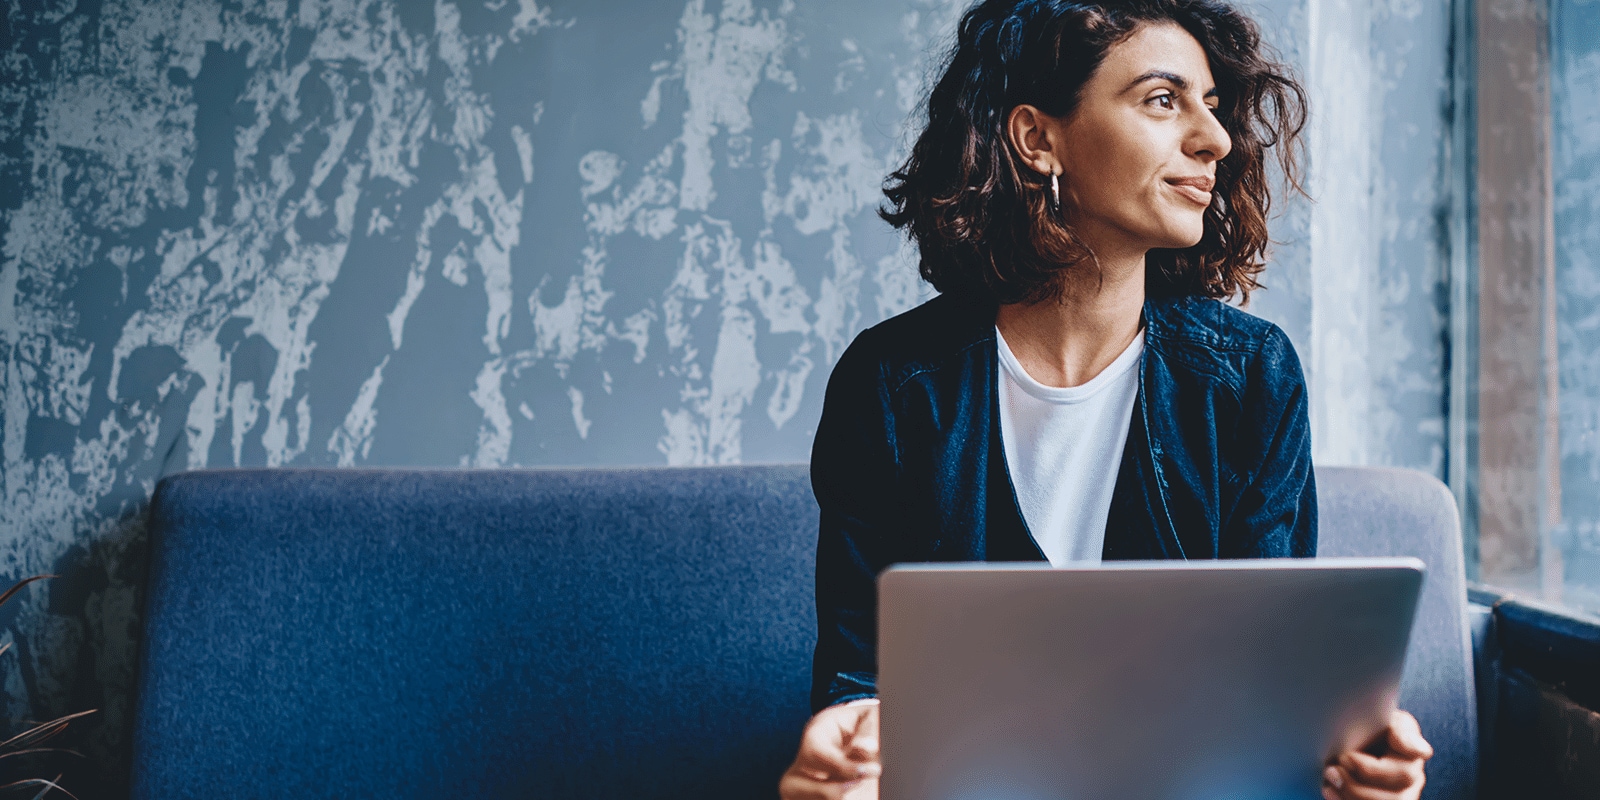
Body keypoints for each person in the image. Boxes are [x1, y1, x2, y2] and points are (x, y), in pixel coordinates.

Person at [778, 2, 1436, 799]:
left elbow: (1277, 694)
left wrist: (1349, 769)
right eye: (1163, 100)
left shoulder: (1252, 380)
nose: (1216, 140)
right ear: (1038, 138)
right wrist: (843, 764)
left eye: (1213, 106)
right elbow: (859, 681)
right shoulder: (891, 386)